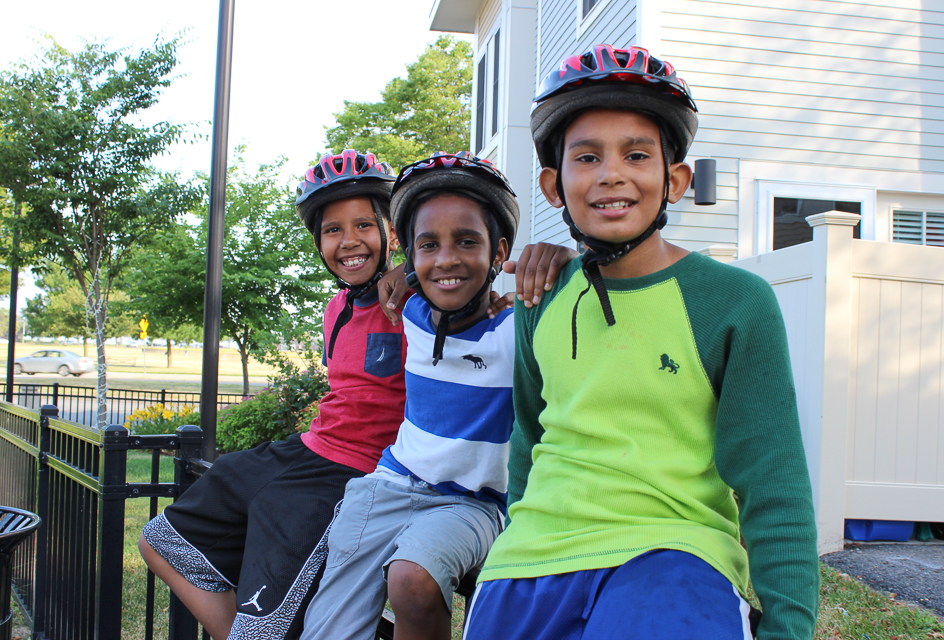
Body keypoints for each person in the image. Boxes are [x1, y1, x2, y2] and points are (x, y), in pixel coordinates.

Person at [464, 45, 819, 640]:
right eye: (587, 156)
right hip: (528, 561)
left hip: (674, 554)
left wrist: (789, 627)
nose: (611, 174)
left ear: (674, 179)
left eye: (636, 154)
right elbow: (530, 439)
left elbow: (773, 482)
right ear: (554, 186)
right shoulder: (541, 296)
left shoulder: (735, 302)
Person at [139, 150, 409, 640]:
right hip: (306, 450)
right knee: (162, 541)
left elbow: (470, 284)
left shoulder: (415, 300)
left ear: (392, 234)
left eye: (364, 225)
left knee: (263, 627)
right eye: (332, 230)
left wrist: (411, 274)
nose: (349, 241)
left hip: (354, 474)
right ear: (318, 242)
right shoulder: (337, 309)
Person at [300, 152, 520, 640]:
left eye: (467, 242)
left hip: (472, 502)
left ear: (499, 252)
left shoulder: (517, 332)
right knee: (328, 627)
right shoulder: (410, 311)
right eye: (429, 245)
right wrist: (400, 273)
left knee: (412, 579)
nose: (446, 258)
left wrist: (559, 261)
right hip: (390, 485)